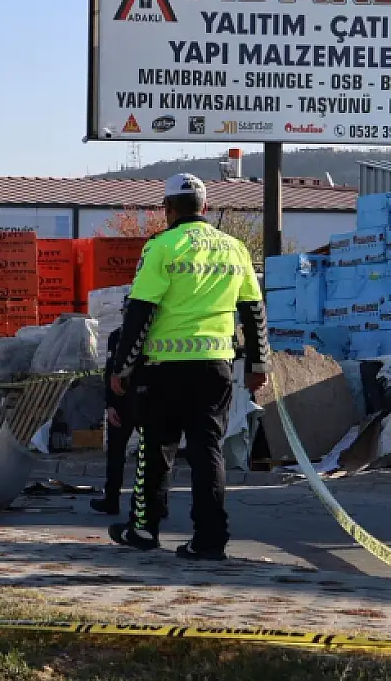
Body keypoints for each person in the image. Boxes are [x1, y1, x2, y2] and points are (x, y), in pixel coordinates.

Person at [105, 173, 270, 560]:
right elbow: (254, 310)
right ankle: (210, 538)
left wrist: (122, 367)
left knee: (154, 449)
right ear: (205, 208)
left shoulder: (162, 247)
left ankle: (144, 529)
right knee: (207, 451)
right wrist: (259, 363)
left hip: (164, 368)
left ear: (167, 209)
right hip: (216, 367)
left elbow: (141, 311)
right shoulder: (235, 248)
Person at [90, 319, 135, 516]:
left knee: (152, 455)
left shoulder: (156, 336)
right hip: (121, 403)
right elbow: (110, 371)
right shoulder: (117, 335)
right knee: (116, 454)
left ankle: (155, 503)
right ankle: (111, 499)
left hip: (146, 401)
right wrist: (110, 404)